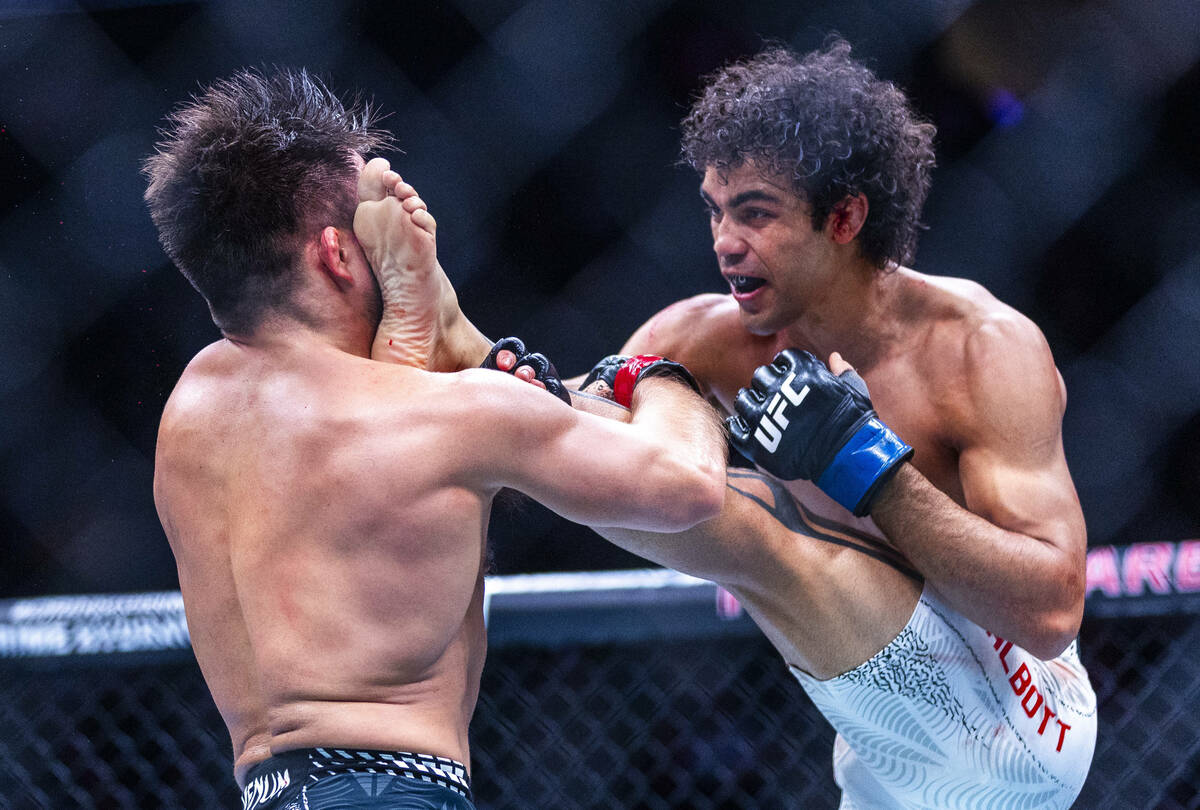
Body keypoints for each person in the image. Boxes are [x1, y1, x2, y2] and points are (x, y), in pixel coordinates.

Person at [408, 40, 1098, 809]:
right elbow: (579, 447)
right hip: (878, 758)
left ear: (844, 217)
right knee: (648, 410)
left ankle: (463, 357)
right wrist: (497, 385)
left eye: (756, 213)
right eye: (715, 209)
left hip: (1021, 723)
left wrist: (871, 466)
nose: (724, 242)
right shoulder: (708, 339)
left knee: (754, 517)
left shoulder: (980, 347)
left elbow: (1051, 612)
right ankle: (465, 359)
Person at [143, 68, 726, 810]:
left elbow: (370, 470)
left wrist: (424, 332)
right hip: (396, 790)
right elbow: (690, 486)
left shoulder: (191, 411)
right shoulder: (452, 415)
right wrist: (663, 372)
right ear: (338, 254)